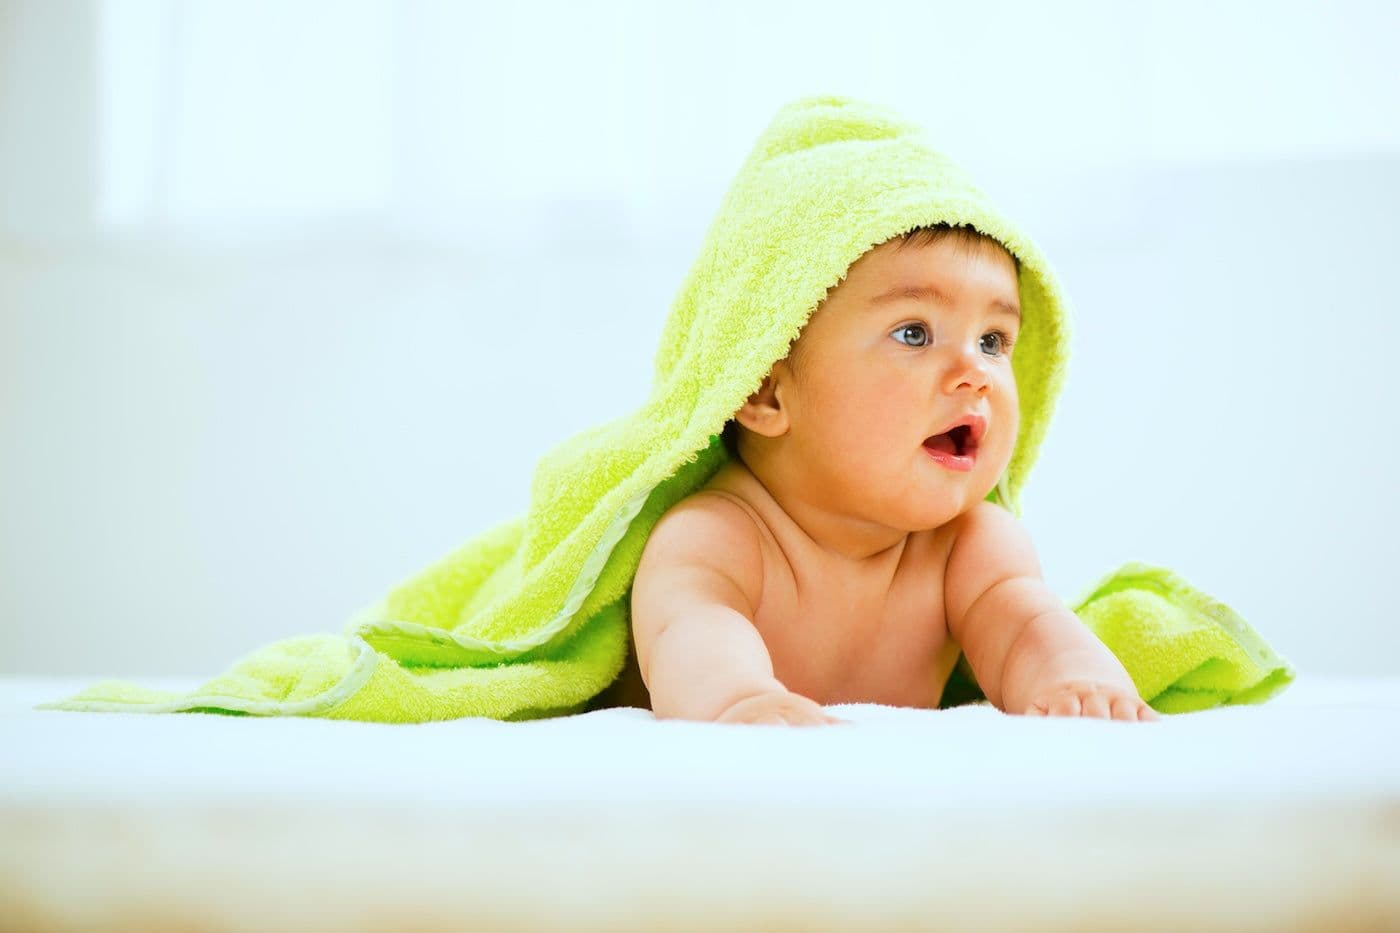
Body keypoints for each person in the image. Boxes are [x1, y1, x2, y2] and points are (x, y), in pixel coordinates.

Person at [592, 223, 1159, 727]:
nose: (976, 374)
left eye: (992, 341)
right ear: (765, 390)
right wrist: (739, 702)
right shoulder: (718, 535)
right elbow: (689, 632)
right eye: (914, 333)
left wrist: (1077, 683)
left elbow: (1026, 627)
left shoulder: (968, 547)